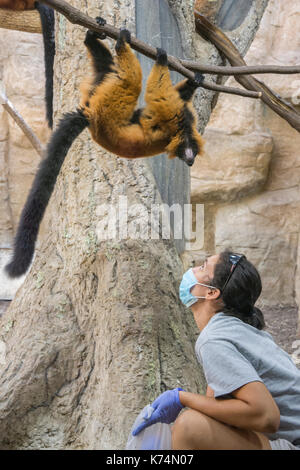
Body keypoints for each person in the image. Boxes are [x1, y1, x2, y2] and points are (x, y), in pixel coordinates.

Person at [132, 250, 300, 450]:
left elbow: (267, 417)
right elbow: (217, 405)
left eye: (202, 267)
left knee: (190, 426)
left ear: (211, 292)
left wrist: (182, 398)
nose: (193, 269)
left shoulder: (214, 339)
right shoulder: (234, 329)